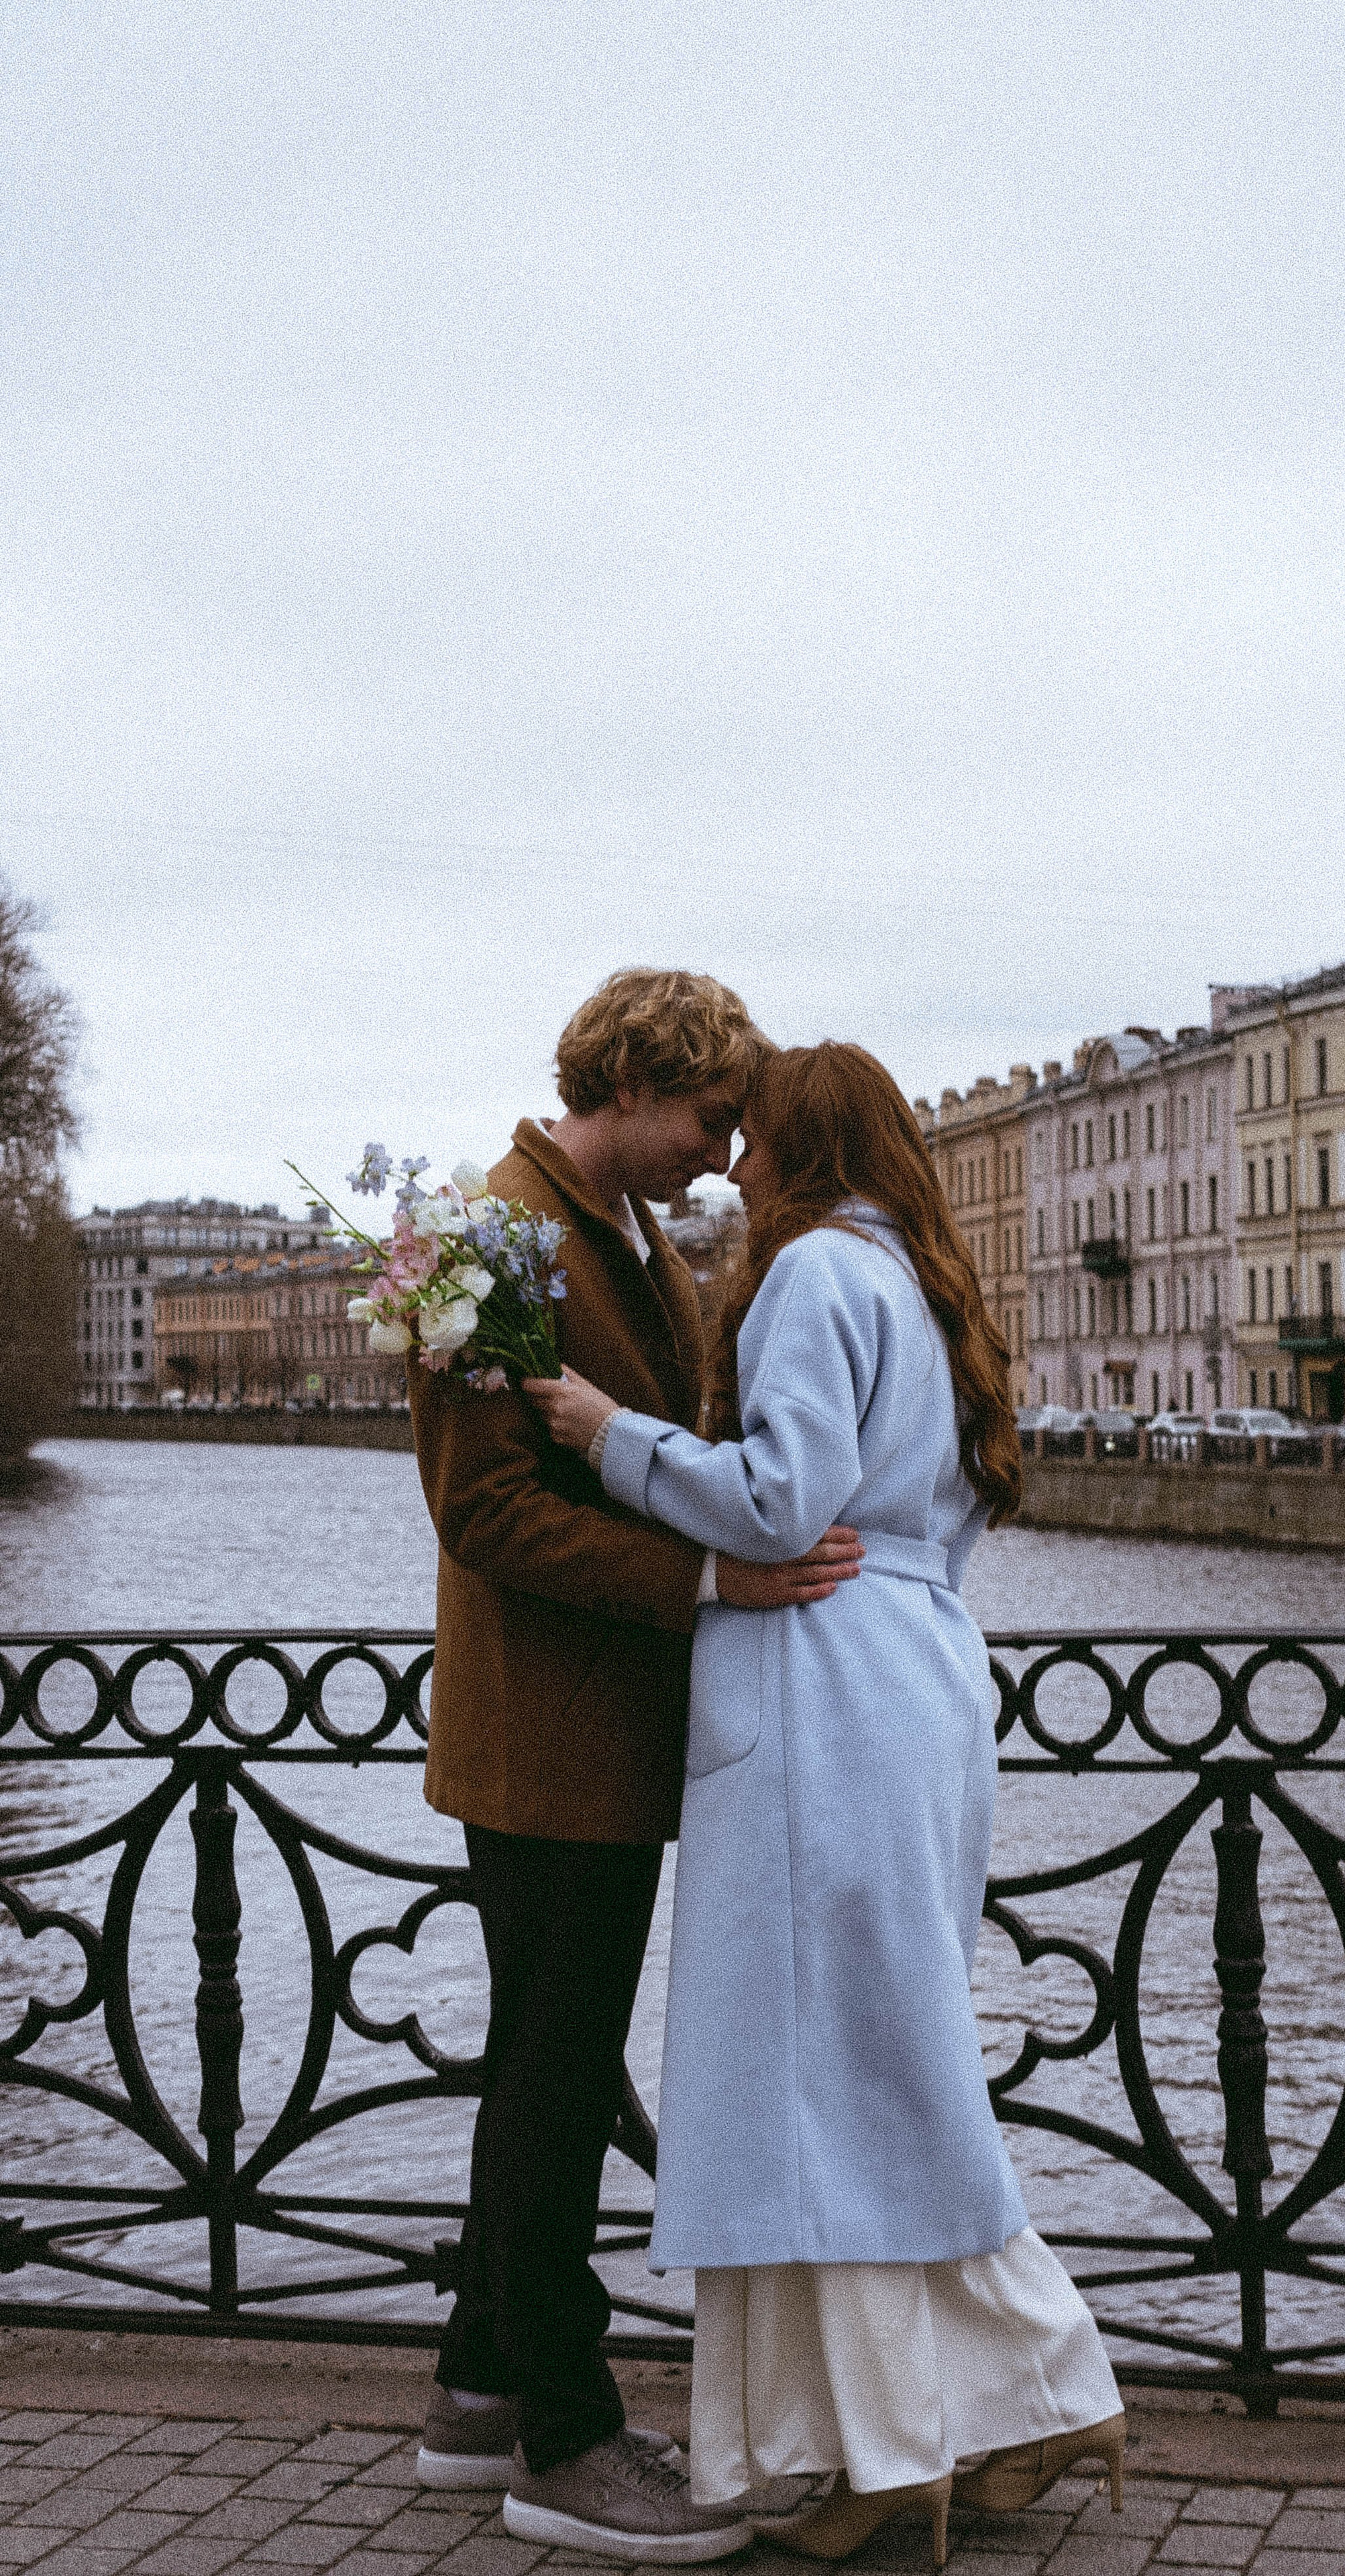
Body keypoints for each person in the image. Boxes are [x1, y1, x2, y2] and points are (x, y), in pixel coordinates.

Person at [524, 1040, 1125, 2569]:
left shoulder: (805, 1278)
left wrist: (615, 1437)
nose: (729, 1167)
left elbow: (785, 1502)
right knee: (876, 2065)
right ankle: (1002, 2404)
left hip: (813, 1689)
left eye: (749, 1141)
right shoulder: (921, 1282)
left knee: (817, 2091)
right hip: (913, 1677)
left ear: (797, 1148)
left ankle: (898, 2452)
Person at [410, 970, 863, 2565]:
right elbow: (485, 1515)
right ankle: (568, 2437)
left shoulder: (634, 1238)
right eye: (710, 1117)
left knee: (554, 2061)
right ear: (631, 1082)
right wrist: (705, 1586)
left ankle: (475, 2389)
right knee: (552, 2078)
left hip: (607, 1733)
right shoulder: (490, 1236)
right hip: (543, 1735)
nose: (723, 1151)